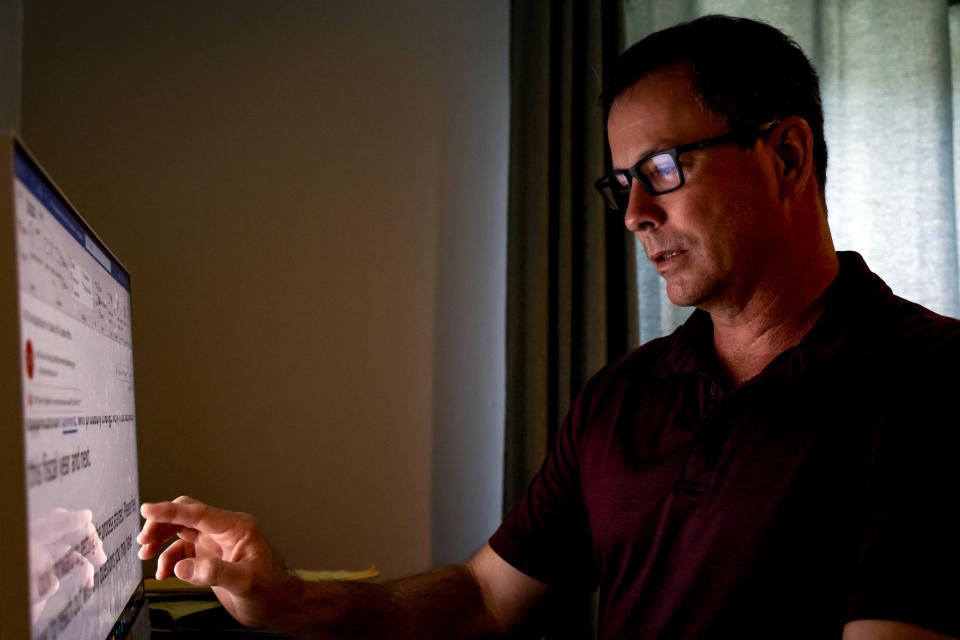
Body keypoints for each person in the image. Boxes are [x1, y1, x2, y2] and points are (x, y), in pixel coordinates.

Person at [138, 15, 960, 639]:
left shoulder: (935, 384)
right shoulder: (625, 396)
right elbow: (487, 595)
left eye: (663, 171)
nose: (635, 214)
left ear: (786, 157)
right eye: (622, 185)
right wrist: (285, 599)